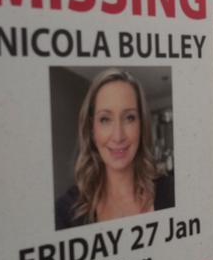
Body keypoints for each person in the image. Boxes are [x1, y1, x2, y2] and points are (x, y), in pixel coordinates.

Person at [55, 69, 174, 230]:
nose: (118, 136)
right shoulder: (65, 213)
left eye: (129, 117)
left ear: (141, 125)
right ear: (92, 129)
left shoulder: (172, 191)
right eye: (105, 119)